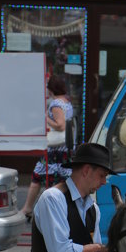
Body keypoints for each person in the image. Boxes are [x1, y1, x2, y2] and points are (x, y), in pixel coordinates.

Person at [22, 75, 75, 219]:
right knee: (60, 180)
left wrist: (45, 118)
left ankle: (29, 208)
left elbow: (60, 125)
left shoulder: (56, 104)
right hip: (64, 148)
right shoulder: (67, 102)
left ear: (51, 89)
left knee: (38, 177)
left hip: (55, 149)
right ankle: (51, 209)